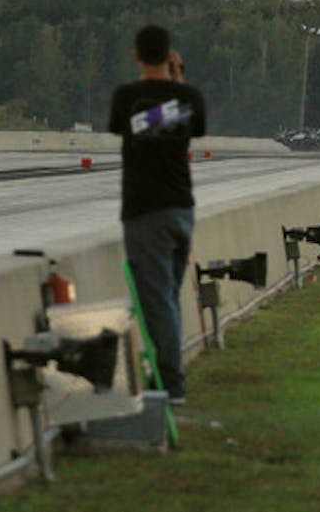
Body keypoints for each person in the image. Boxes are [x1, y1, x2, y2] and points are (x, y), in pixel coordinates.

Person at [108, 25, 206, 404]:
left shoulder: (127, 96)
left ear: (137, 56)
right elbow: (188, 120)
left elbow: (130, 126)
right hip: (182, 210)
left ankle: (170, 384)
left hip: (145, 212)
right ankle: (168, 374)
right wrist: (177, 81)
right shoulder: (189, 98)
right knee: (166, 296)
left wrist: (165, 95)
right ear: (169, 56)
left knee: (160, 301)